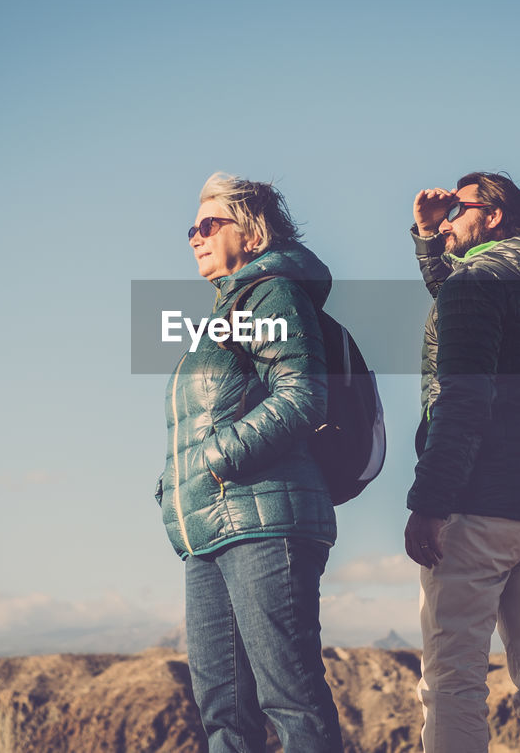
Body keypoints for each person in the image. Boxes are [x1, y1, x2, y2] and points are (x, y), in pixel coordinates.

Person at [157, 172, 343, 753]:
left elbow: (302, 395)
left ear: (253, 230)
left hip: (265, 522)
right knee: (223, 716)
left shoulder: (273, 293)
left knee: (290, 702)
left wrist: (213, 460)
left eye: (210, 223)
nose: (195, 235)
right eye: (192, 227)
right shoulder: (225, 312)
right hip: (208, 527)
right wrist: (173, 486)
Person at [403, 172, 520, 752]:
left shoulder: (476, 285)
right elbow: (456, 297)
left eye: (459, 209)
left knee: (452, 679)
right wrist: (431, 237)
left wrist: (429, 503)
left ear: (494, 216)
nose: (448, 218)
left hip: (481, 507)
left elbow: (463, 397)